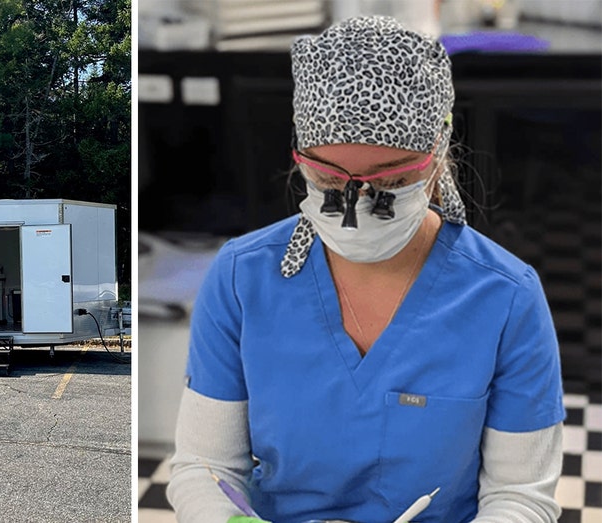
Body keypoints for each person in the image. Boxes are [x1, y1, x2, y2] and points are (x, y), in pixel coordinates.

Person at [166, 15, 565, 523]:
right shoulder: (243, 279)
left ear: (436, 157)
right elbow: (205, 469)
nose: (354, 203)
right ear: (300, 157)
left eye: (389, 180)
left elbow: (520, 496)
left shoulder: (504, 298)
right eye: (329, 177)